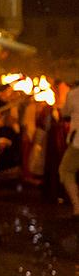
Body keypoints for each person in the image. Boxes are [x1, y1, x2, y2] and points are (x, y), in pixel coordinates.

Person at [59, 83, 79, 216]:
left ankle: (77, 206)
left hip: (78, 141)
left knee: (65, 170)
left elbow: (65, 112)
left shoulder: (74, 93)